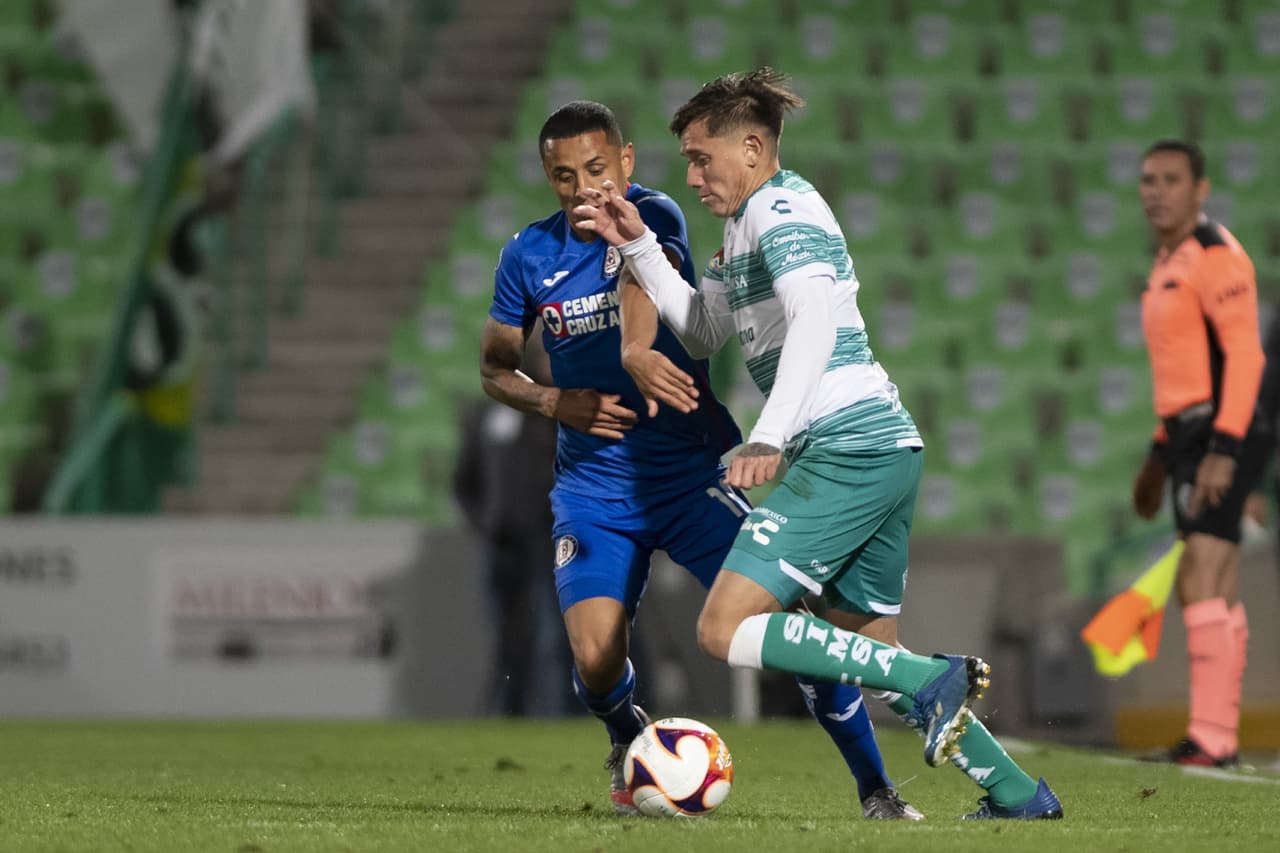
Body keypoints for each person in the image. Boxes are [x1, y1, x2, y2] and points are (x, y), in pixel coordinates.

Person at [573, 68, 1062, 820]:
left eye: (703, 158)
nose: (694, 176)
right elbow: (703, 330)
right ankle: (1018, 792)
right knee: (869, 651)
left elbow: (813, 321)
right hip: (884, 447)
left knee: (723, 625)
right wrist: (640, 247)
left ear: (752, 145)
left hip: (848, 445)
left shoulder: (782, 207)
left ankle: (936, 678)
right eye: (688, 163)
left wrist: (769, 434)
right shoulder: (744, 226)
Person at [479, 100, 921, 819]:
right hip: (593, 487)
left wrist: (632, 350)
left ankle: (877, 787)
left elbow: (636, 278)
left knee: (791, 629)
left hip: (689, 476)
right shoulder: (527, 254)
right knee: (593, 659)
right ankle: (632, 739)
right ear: (546, 177)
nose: (584, 188)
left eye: (597, 168)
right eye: (565, 176)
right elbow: (496, 369)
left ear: (624, 162)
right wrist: (553, 402)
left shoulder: (654, 213)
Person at [1130, 139, 1271, 767]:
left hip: (1223, 429)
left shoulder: (1217, 257)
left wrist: (1225, 448)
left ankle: (1211, 739)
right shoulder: (1172, 260)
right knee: (1215, 580)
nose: (1155, 191)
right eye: (1147, 180)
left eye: (1170, 179)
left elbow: (1246, 357)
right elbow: (1184, 372)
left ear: (1200, 189)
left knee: (1200, 576)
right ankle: (1218, 737)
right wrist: (1159, 457)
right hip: (1190, 434)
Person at [453, 336, 572, 717]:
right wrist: (483, 522)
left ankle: (556, 716)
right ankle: (509, 715)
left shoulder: (555, 408)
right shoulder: (482, 416)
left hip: (545, 538)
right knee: (505, 635)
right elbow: (464, 481)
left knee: (552, 636)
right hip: (500, 540)